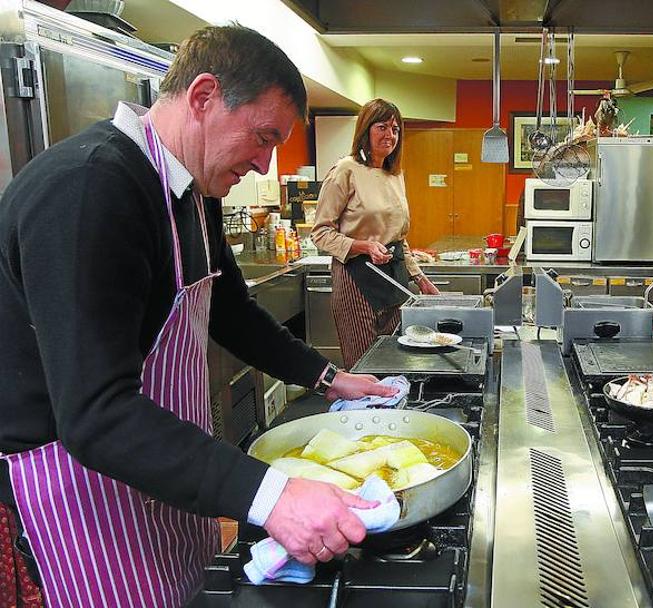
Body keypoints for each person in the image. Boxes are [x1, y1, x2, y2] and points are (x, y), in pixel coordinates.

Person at [0, 25, 399, 607]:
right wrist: (271, 496)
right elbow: (95, 414)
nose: (264, 166)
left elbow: (231, 311)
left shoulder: (189, 191)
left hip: (158, 475)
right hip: (69, 495)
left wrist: (328, 377)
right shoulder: (91, 189)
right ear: (204, 95)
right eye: (263, 138)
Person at [311, 98, 439, 368]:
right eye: (382, 127)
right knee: (364, 364)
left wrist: (419, 277)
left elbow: (398, 238)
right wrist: (363, 246)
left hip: (394, 276)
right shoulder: (346, 170)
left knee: (394, 358)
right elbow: (321, 233)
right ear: (365, 130)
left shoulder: (395, 175)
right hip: (356, 276)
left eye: (395, 129)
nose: (389, 135)